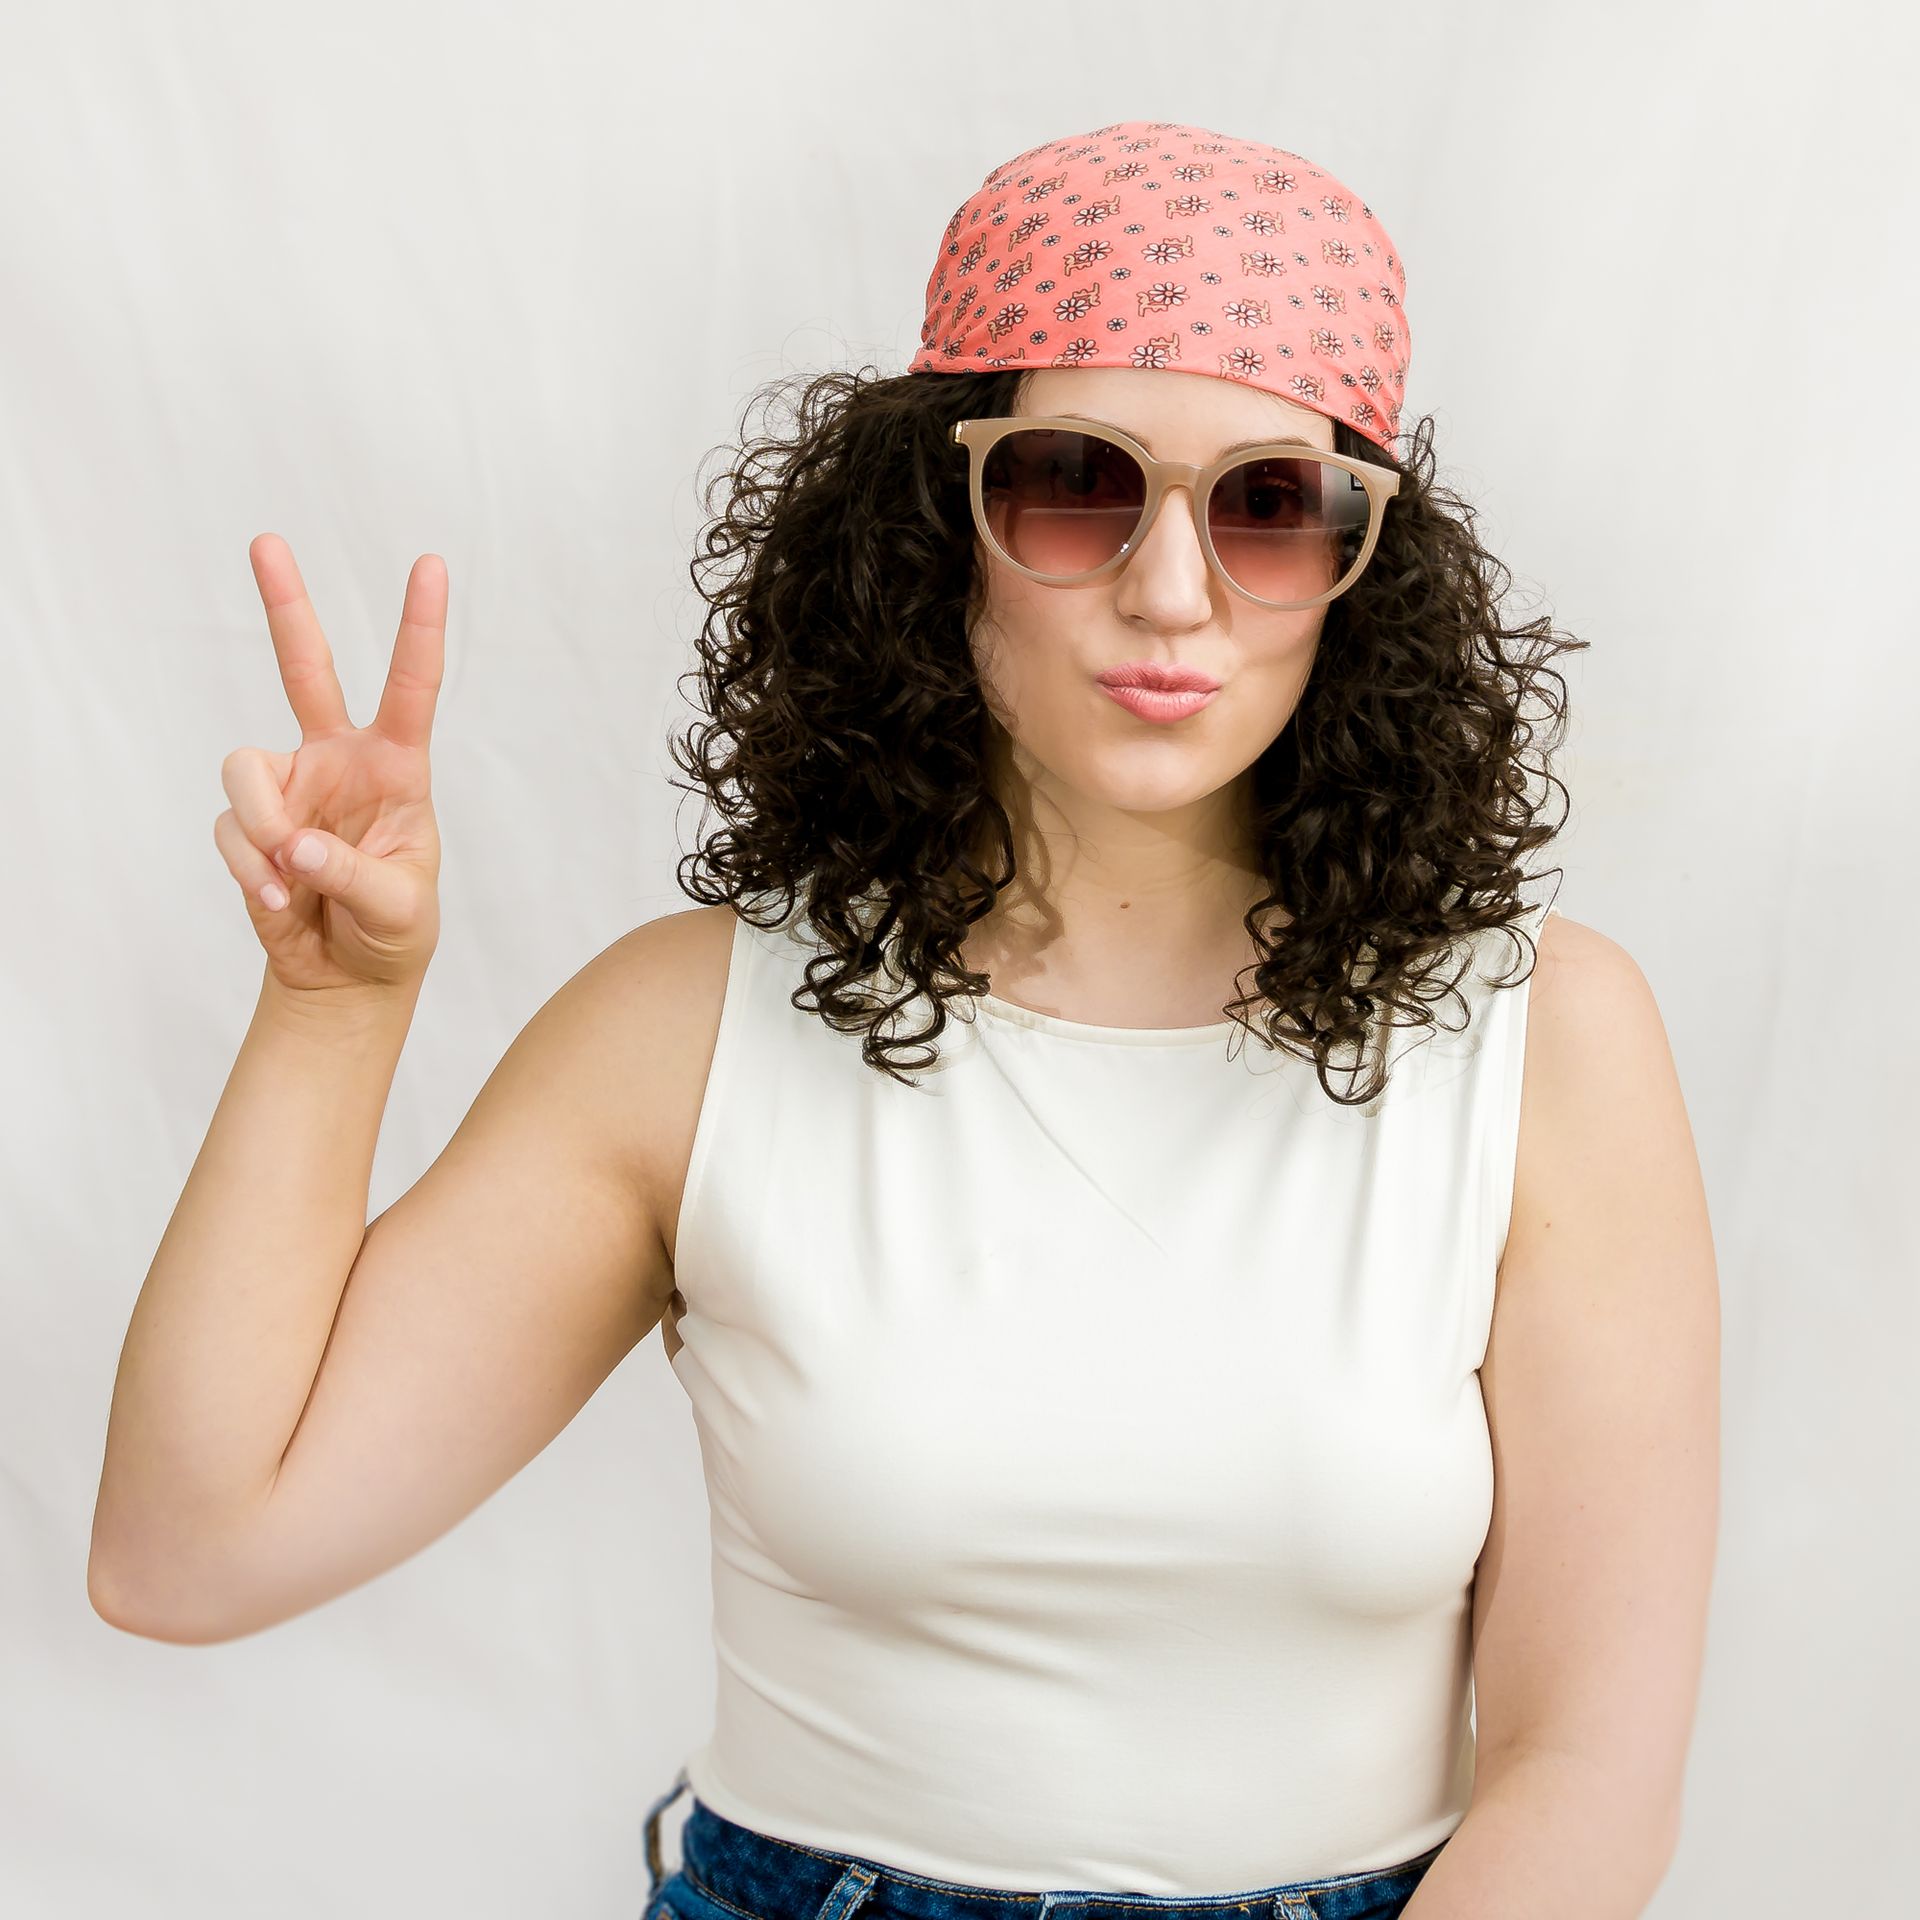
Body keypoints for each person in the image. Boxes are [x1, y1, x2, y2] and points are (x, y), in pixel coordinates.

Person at [89, 120, 1718, 1920]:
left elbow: (1589, 1761)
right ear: (931, 521)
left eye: (1269, 503)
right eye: (1077, 483)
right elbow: (190, 1548)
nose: (1171, 591)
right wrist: (335, 1009)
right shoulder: (686, 1033)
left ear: (1363, 569)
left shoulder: (1545, 1039)